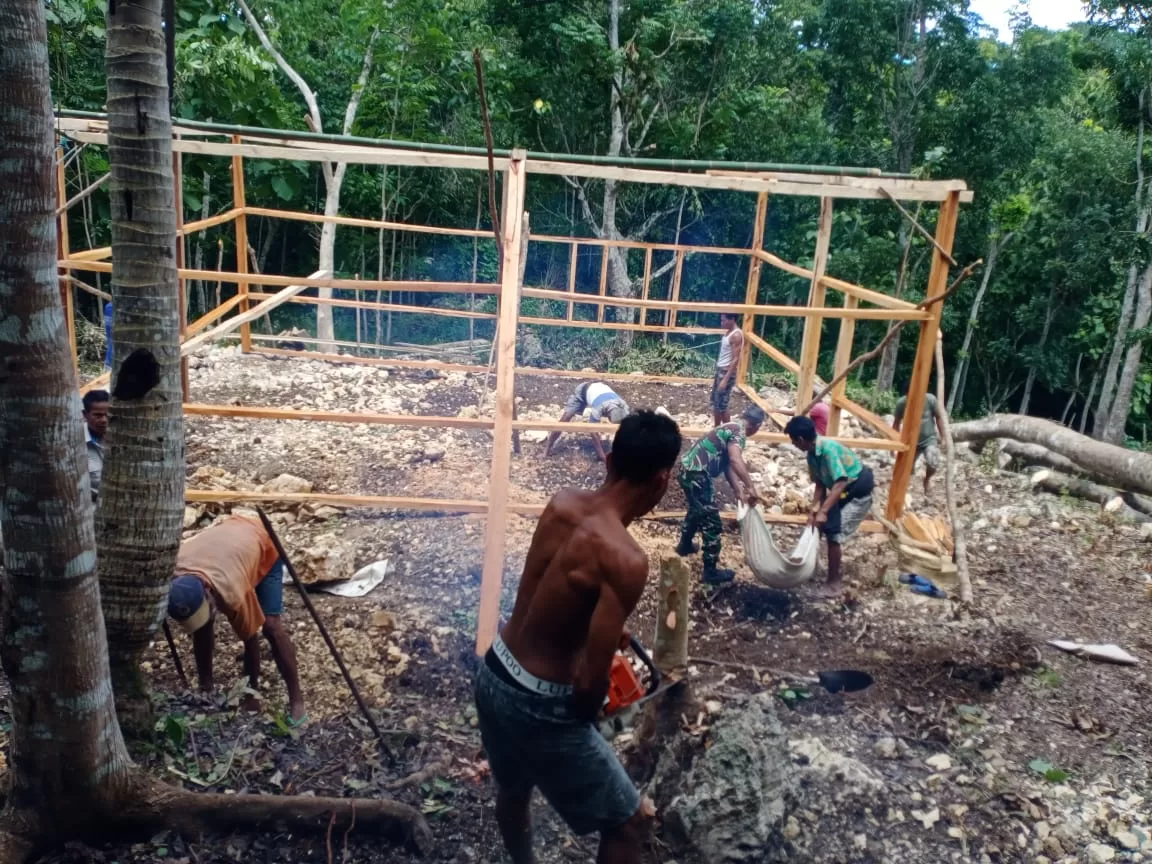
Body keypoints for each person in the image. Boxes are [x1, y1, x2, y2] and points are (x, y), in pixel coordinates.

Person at [474, 411, 682, 864]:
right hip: (538, 705)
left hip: (493, 674)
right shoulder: (625, 559)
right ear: (663, 479)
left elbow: (558, 589)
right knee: (629, 824)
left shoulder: (562, 503)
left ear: (609, 459)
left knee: (513, 789)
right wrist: (594, 721)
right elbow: (589, 684)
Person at [167, 515, 305, 724]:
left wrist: (251, 696)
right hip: (229, 534)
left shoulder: (232, 589)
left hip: (262, 541)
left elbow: (251, 639)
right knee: (203, 623)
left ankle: (297, 701)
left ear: (208, 592)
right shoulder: (174, 573)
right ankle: (206, 687)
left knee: (270, 627)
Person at [784, 416, 875, 598]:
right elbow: (820, 483)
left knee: (834, 533)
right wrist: (813, 511)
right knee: (818, 524)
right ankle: (810, 567)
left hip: (857, 490)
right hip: (839, 490)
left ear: (801, 440)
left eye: (793, 440)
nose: (793, 444)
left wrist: (824, 511)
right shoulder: (811, 455)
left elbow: (840, 481)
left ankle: (834, 583)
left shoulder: (828, 449)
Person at [676, 405, 764, 585]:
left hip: (687, 470)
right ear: (756, 426)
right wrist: (750, 487)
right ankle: (710, 572)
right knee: (712, 523)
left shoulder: (731, 426)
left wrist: (738, 490)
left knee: (696, 509)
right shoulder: (738, 433)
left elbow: (726, 464)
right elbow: (735, 459)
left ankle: (684, 546)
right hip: (698, 475)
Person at [543, 381, 630, 462]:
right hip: (582, 391)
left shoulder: (624, 407)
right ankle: (546, 450)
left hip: (599, 389)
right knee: (565, 419)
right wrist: (602, 456)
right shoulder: (599, 407)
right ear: (608, 413)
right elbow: (592, 430)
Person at [893, 389, 944, 495]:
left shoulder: (930, 399)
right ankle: (902, 491)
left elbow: (938, 417)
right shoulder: (902, 403)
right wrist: (894, 442)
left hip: (929, 439)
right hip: (910, 442)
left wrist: (943, 437)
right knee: (906, 470)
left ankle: (926, 480)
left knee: (933, 463)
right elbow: (896, 423)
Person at [711, 313, 744, 426]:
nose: (722, 323)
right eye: (721, 320)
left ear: (733, 319)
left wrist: (725, 380)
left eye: (724, 320)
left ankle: (730, 433)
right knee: (716, 402)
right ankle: (716, 429)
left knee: (722, 405)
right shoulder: (728, 332)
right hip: (720, 370)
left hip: (726, 372)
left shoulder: (736, 335)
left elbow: (735, 359)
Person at [82, 389, 109, 503]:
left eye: (108, 415)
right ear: (85, 415)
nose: (104, 420)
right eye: (97, 415)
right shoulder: (76, 444)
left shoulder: (124, 440)